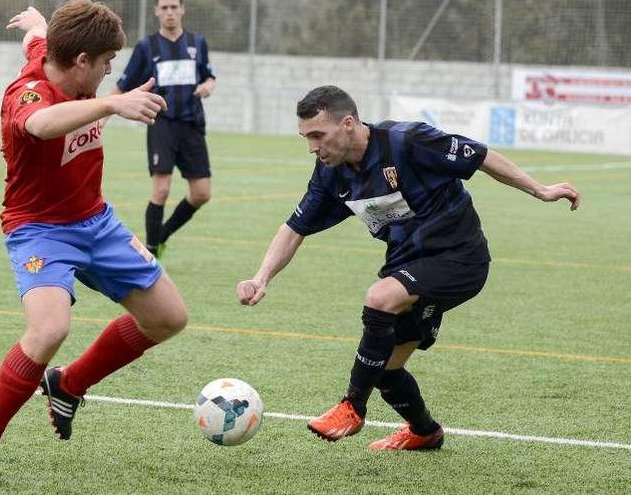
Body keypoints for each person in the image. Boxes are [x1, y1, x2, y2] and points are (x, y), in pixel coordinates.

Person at [236, 86, 580, 451]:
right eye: (306, 138)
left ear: (348, 124)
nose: (313, 147)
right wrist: (261, 277)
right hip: (406, 265)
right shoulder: (330, 174)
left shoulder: (406, 141)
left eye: (319, 135)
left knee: (380, 296)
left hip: (460, 257)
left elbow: (479, 156)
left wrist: (540, 190)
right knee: (386, 368)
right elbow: (295, 227)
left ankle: (352, 406)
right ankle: (425, 431)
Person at [0, 2, 188, 489]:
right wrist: (111, 104)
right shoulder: (27, 93)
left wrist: (40, 22)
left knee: (169, 317)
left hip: (96, 222)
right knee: (49, 328)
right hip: (38, 229)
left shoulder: (53, 51)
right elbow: (40, 124)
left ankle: (69, 383)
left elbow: (37, 36)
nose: (108, 73)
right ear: (80, 60)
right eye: (105, 64)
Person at [114, 0, 216, 257]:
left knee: (202, 193)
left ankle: (162, 235)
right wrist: (98, 115)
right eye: (165, 7)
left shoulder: (197, 43)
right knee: (161, 189)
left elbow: (209, 76)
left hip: (192, 124)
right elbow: (123, 84)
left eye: (174, 7)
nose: (169, 12)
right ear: (157, 12)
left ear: (182, 10)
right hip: (162, 124)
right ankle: (150, 251)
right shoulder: (147, 47)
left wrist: (208, 86)